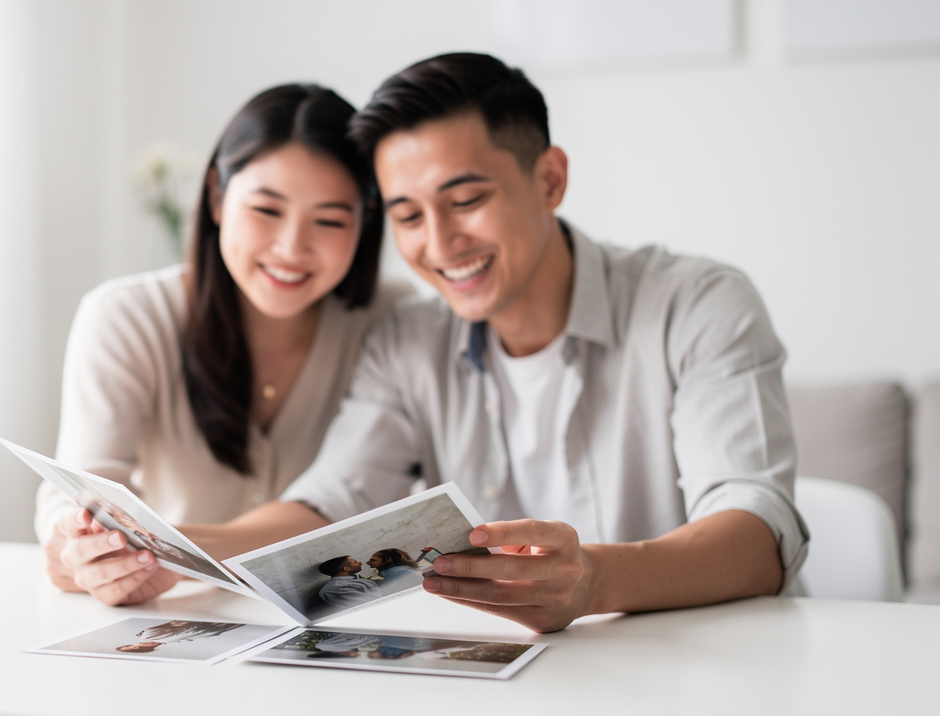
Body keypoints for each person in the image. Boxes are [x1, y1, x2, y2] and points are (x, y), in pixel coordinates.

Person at [181, 52, 808, 633]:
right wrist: (171, 548)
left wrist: (594, 581)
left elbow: (759, 535)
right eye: (407, 215)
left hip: (703, 666)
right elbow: (328, 505)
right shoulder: (407, 342)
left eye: (466, 199)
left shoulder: (696, 305)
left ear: (550, 180)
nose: (440, 243)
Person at [35, 83, 411, 606]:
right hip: (174, 615)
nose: (291, 248)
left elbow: (355, 507)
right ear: (216, 195)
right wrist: (79, 549)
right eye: (266, 210)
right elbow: (78, 494)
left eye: (329, 220)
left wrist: (174, 549)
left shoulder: (396, 319)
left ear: (366, 222)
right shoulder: (127, 317)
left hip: (344, 629)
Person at [115, 620, 242, 653]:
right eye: (132, 648)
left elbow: (180, 625)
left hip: (212, 623)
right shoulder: (165, 642)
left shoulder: (147, 636)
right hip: (221, 627)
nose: (135, 646)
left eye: (129, 646)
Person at [316, 555, 382, 609]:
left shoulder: (355, 581)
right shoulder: (333, 588)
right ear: (346, 568)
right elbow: (371, 605)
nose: (360, 563)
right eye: (355, 562)